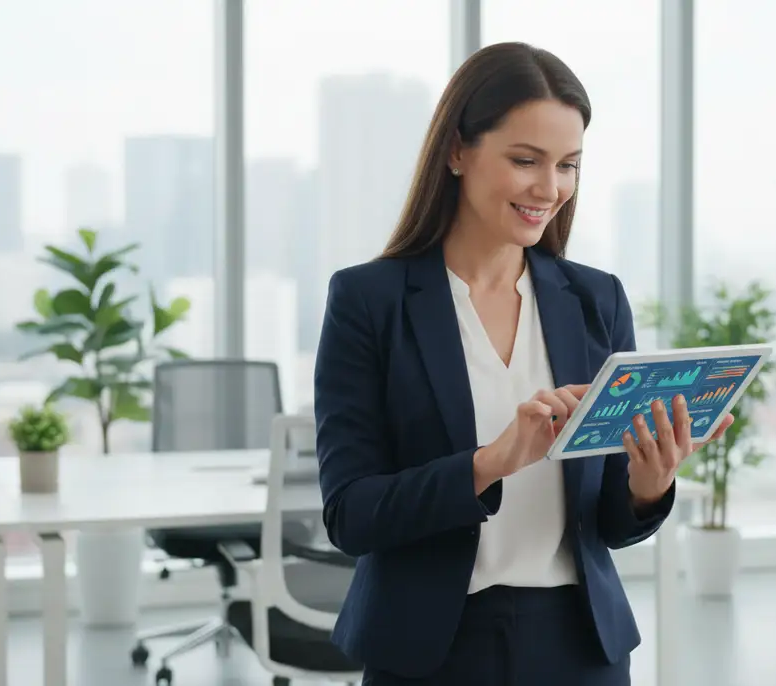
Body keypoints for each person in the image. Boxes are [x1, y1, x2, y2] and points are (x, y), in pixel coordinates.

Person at [313, 41, 732, 686]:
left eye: (568, 165)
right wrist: (493, 461)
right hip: (432, 650)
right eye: (525, 160)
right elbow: (351, 515)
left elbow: (609, 526)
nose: (551, 188)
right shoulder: (369, 302)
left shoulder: (596, 300)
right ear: (457, 150)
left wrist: (649, 484)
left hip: (580, 645)